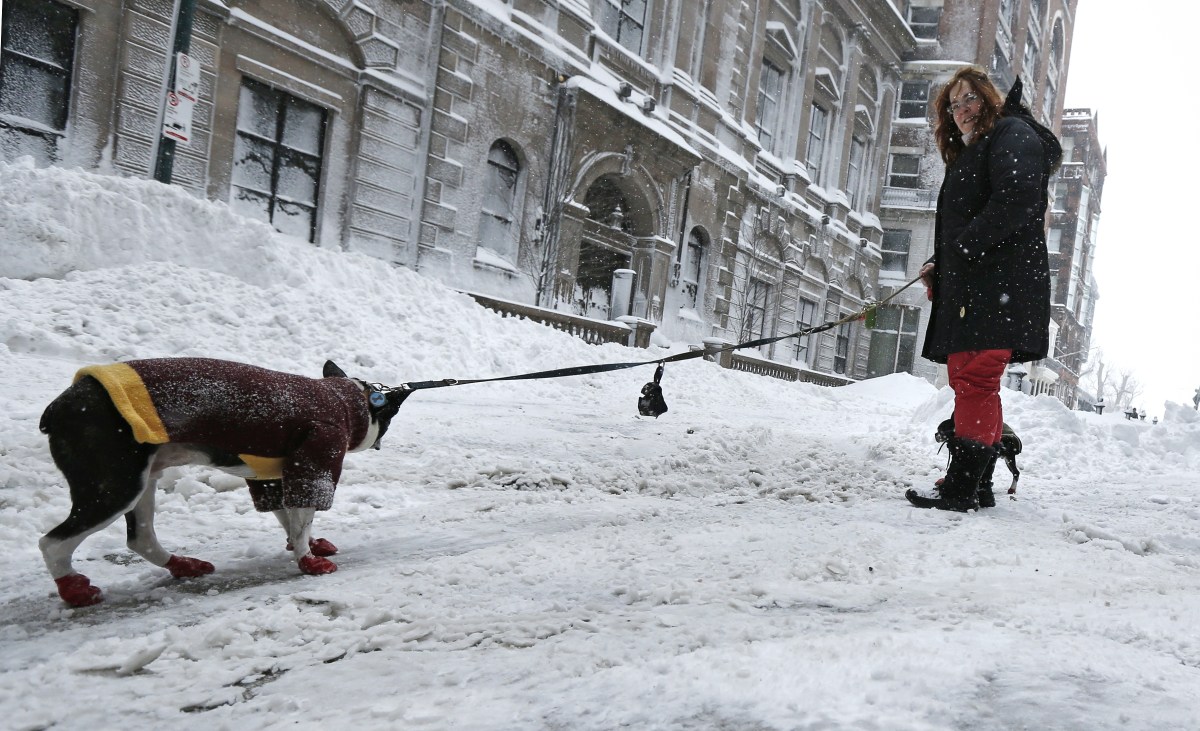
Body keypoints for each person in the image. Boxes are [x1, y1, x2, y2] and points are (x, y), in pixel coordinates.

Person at [906, 66, 1061, 512]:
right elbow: (974, 218)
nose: (962, 110)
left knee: (973, 379)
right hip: (985, 285)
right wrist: (943, 260)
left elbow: (1017, 199)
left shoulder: (1011, 133)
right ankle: (978, 484)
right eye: (953, 105)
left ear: (989, 98)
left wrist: (963, 248)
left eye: (969, 98)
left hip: (999, 287)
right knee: (972, 380)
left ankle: (961, 488)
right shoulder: (977, 150)